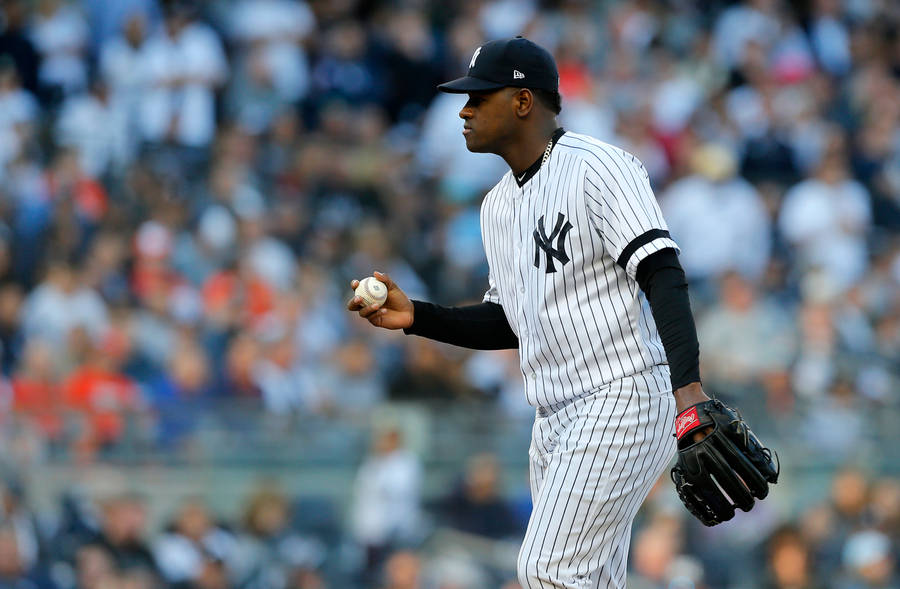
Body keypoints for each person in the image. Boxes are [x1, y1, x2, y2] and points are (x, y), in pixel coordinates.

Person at [348, 36, 774, 588]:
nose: (464, 109)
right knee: (589, 579)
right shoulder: (496, 206)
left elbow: (661, 271)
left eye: (479, 97)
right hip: (553, 418)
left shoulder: (600, 166)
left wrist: (688, 392)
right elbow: (509, 320)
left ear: (523, 102)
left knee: (546, 569)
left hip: (620, 397)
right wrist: (419, 317)